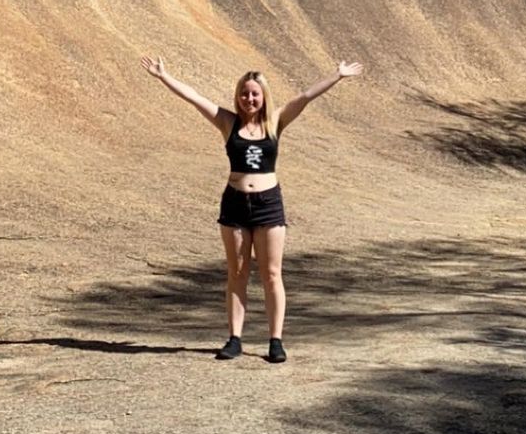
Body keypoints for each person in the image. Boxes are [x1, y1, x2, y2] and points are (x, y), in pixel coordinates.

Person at [139, 56, 363, 363]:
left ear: (264, 96)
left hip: (268, 204)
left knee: (272, 274)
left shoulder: (276, 122)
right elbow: (194, 98)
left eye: (255, 93)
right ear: (238, 96)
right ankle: (234, 339)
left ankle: (275, 340)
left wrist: (336, 76)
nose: (249, 98)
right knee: (237, 272)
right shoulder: (227, 122)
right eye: (244, 93)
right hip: (235, 203)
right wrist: (164, 77)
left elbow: (305, 97)